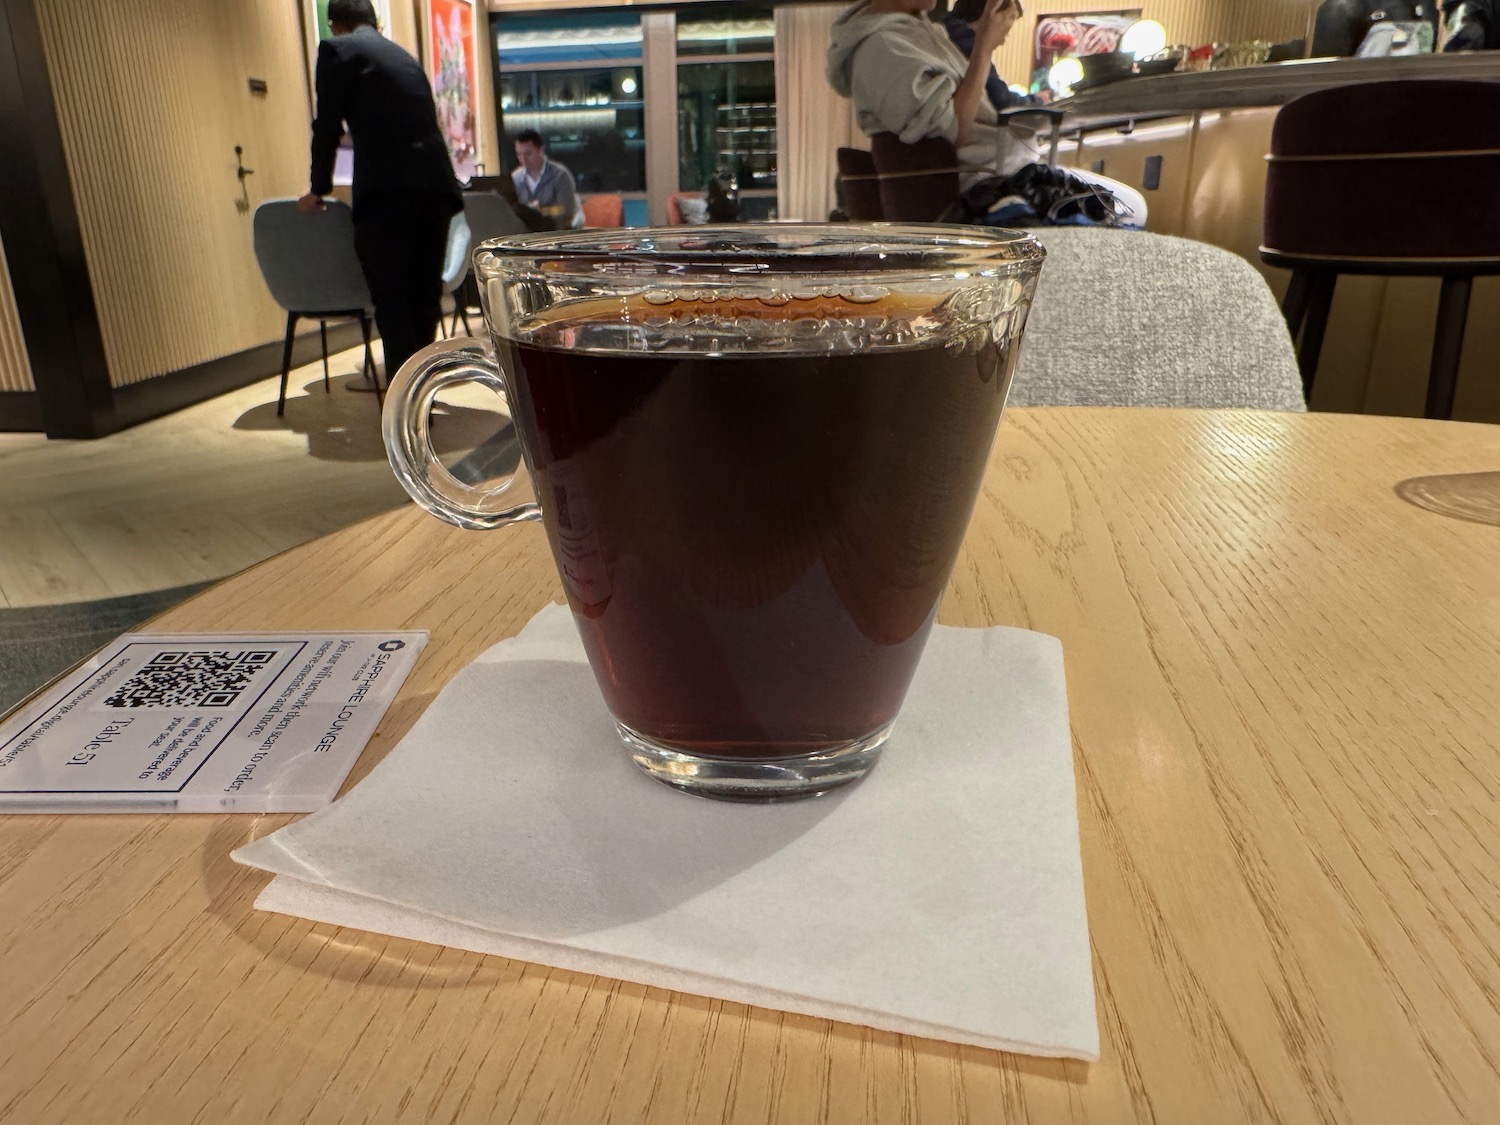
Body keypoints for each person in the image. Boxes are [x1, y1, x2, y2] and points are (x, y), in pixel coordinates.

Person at [827, 0, 1145, 226]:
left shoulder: (912, 31)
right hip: (982, 188)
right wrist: (984, 45)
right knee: (1132, 206)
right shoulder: (882, 46)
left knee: (1127, 202)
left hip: (1000, 171)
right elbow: (952, 131)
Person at [298, 0, 461, 383]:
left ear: (334, 24)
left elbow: (327, 127)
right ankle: (421, 395)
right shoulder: (406, 58)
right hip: (436, 188)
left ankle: (404, 398)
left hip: (388, 191)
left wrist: (318, 188)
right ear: (376, 21)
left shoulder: (337, 50)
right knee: (423, 296)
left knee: (391, 298)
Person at [942, 0, 1043, 111]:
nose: (1002, 42)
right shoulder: (969, 43)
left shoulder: (944, 30)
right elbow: (1002, 99)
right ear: (990, 16)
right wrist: (1037, 101)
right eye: (1005, 32)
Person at [511, 130, 584, 229]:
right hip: (525, 237)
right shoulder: (516, 178)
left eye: (528, 154)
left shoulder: (560, 175)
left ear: (540, 151)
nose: (523, 160)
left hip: (555, 235)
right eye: (519, 154)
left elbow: (566, 213)